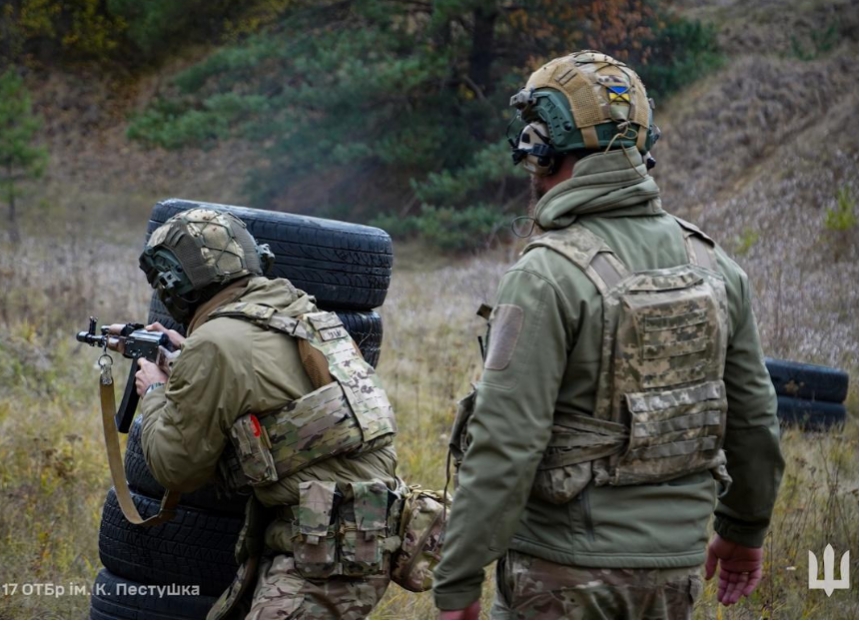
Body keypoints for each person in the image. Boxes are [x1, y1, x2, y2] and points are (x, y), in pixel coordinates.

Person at [433, 50, 784, 620]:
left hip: (559, 573)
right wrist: (744, 531)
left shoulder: (545, 275)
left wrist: (458, 581)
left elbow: (506, 442)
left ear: (542, 149)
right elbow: (754, 419)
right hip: (674, 575)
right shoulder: (715, 266)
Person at [133, 208, 403, 620]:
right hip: (359, 529)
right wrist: (187, 358)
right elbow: (266, 379)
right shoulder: (302, 314)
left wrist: (154, 390)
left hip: (322, 546)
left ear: (176, 281)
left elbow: (176, 468)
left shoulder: (215, 344)